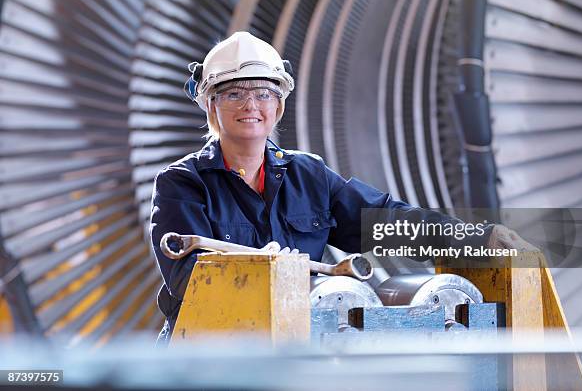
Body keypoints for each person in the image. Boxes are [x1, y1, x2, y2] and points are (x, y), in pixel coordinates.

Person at [150, 31, 529, 344]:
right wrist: (266, 273)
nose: (250, 104)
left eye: (263, 93)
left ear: (278, 106)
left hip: (301, 348)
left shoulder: (309, 175)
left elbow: (385, 222)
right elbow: (191, 281)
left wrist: (476, 239)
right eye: (234, 93)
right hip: (209, 354)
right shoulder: (182, 184)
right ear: (211, 106)